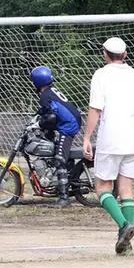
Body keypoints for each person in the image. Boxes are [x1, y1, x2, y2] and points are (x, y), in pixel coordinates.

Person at [82, 37, 134, 256]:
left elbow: (95, 109)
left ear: (104, 54)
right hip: (133, 139)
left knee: (102, 187)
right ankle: (126, 245)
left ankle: (124, 225)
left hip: (111, 138)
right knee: (126, 190)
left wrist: (86, 137)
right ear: (126, 53)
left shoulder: (101, 75)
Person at [29, 66, 82, 207]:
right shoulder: (50, 91)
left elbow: (51, 116)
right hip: (69, 121)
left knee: (59, 159)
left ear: (36, 82)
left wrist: (39, 124)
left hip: (67, 126)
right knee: (52, 144)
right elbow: (46, 110)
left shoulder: (44, 95)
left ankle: (64, 198)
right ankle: (60, 178)